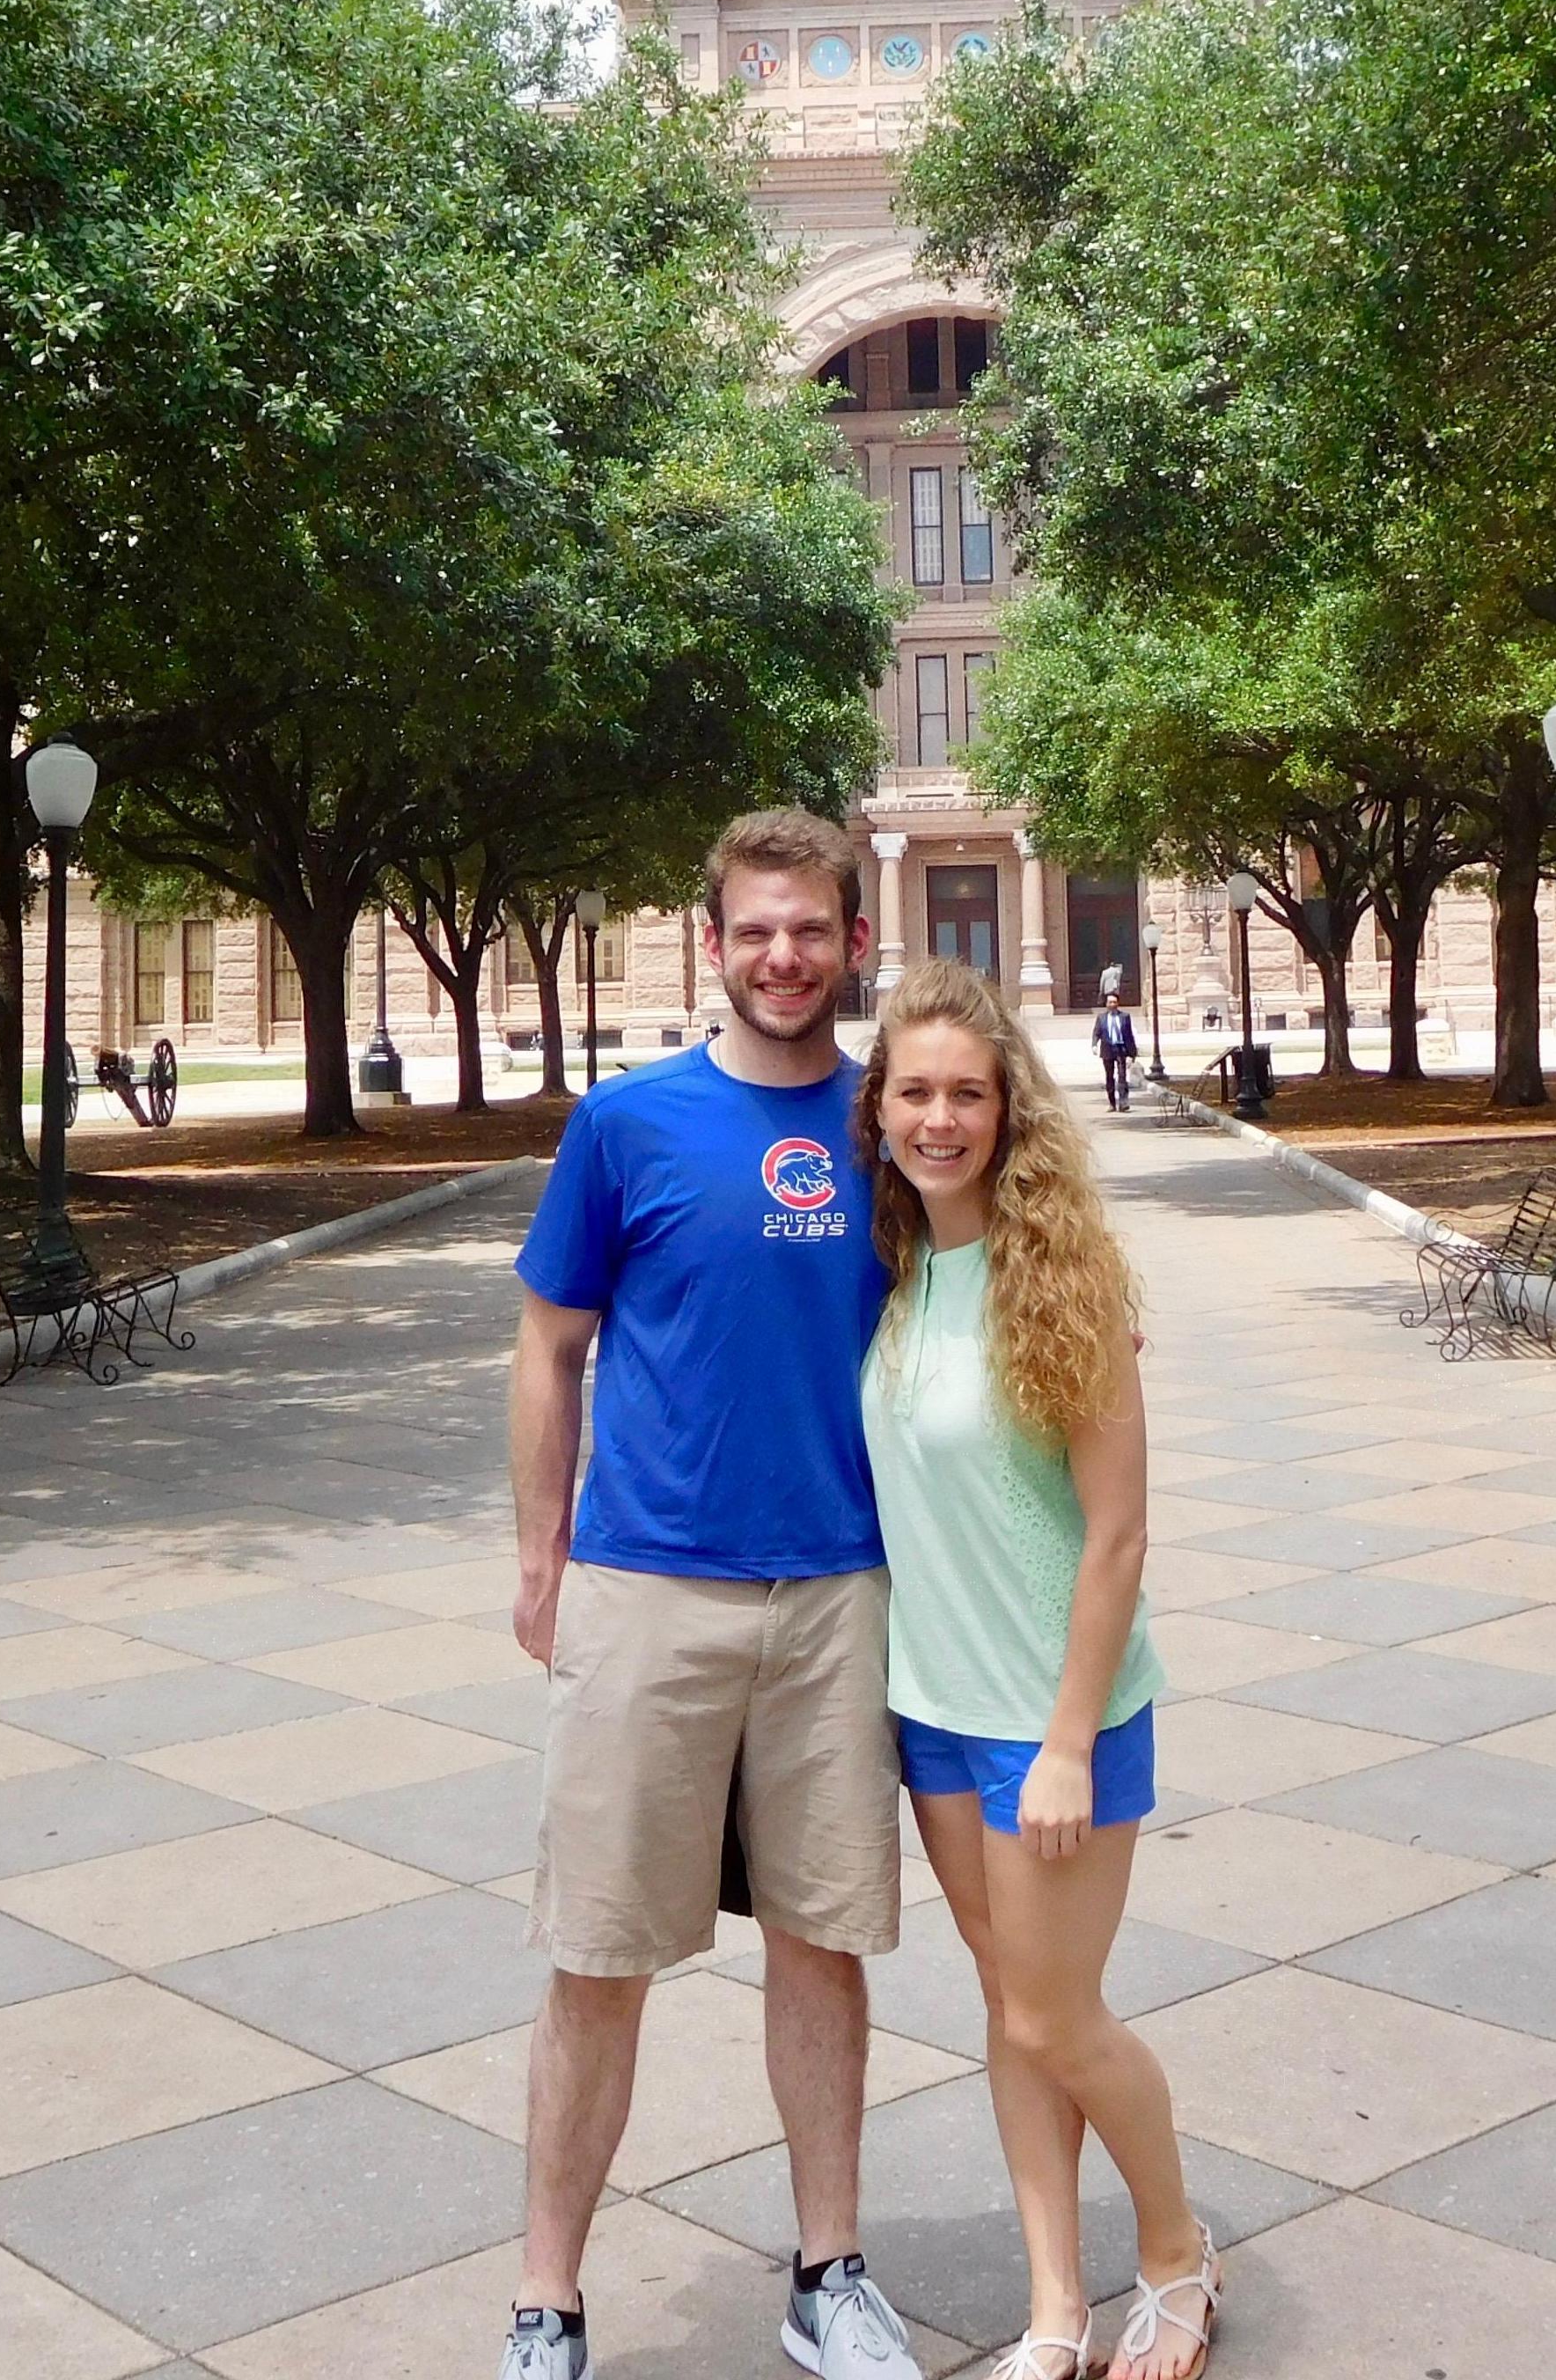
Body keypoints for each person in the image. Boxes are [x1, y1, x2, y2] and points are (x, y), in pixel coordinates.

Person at [500, 810, 926, 2380]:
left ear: (854, 943)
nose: (784, 955)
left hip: (835, 1594)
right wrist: (542, 1557)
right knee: (598, 1953)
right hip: (649, 1589)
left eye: (811, 929)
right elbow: (549, 1346)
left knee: (824, 1943)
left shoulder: (899, 1128)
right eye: (756, 929)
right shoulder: (628, 1126)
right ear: (713, 942)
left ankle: (831, 2271)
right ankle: (547, 2299)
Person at [854, 959, 1222, 2380]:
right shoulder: (890, 1273)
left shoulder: (1058, 1278)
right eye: (914, 1090)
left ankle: (1180, 2257)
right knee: (1008, 2006)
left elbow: (1120, 1534)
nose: (939, 1116)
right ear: (877, 1105)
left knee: (1055, 2012)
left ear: (1009, 1111)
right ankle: (1054, 2307)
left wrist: (1067, 1739)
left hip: (1052, 1719)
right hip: (930, 1712)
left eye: (967, 1092)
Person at [1091, 988, 1139, 1112]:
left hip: (1121, 1049)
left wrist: (1132, 1054)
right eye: (1110, 1002)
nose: (1112, 1005)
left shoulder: (1125, 1017)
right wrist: (1094, 1045)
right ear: (1106, 1004)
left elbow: (1129, 1036)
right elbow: (1096, 1032)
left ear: (1118, 1003)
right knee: (1109, 1077)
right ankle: (1112, 1103)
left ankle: (1123, 1103)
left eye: (1114, 1002)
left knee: (1122, 1076)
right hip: (1107, 1049)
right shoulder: (1101, 1018)